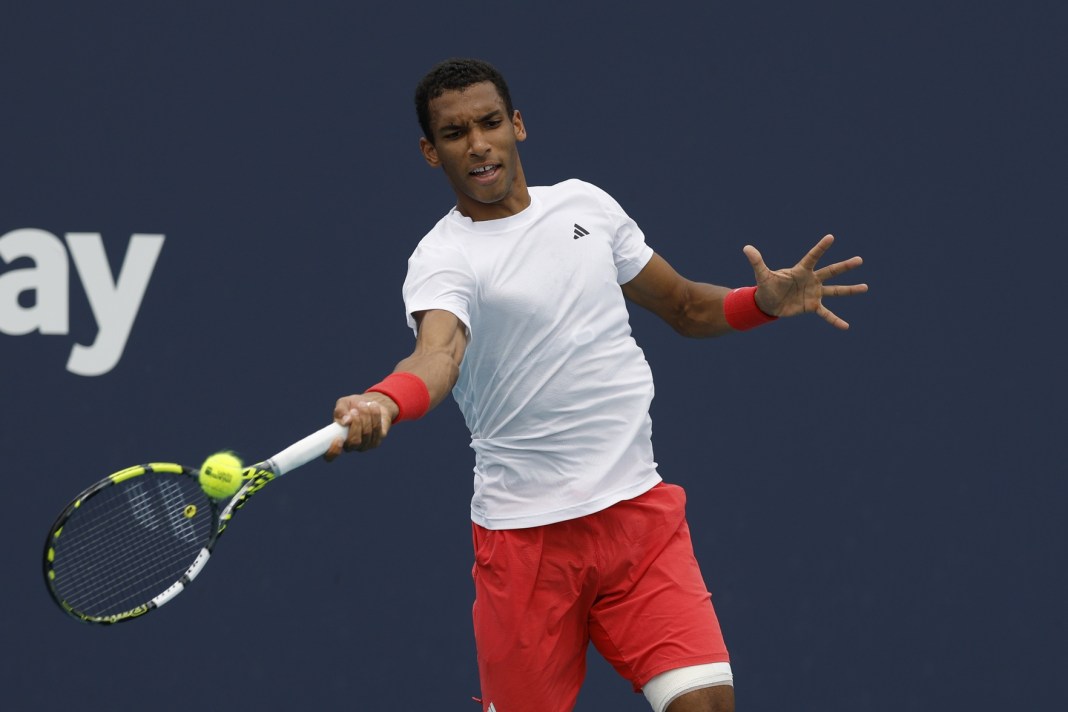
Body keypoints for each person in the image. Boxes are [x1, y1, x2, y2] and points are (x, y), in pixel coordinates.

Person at [326, 58, 867, 712]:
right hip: (526, 547)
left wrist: (764, 303)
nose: (477, 144)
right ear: (430, 151)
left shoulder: (587, 205)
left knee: (709, 705)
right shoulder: (444, 258)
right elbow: (438, 355)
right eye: (454, 133)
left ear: (517, 125)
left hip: (638, 521)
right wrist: (385, 400)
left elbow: (686, 307)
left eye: (490, 123)